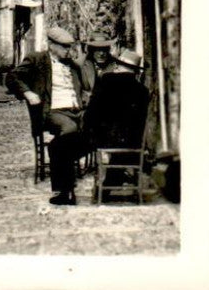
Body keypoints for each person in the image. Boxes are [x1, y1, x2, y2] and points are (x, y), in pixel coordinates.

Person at [46, 48, 150, 206]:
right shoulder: (143, 91)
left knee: (57, 146)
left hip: (100, 138)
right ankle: (110, 186)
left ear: (117, 66)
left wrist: (85, 128)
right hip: (130, 142)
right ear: (135, 71)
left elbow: (92, 113)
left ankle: (65, 193)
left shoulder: (107, 80)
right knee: (113, 144)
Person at [5, 25, 85, 204]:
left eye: (70, 47)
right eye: (64, 47)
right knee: (69, 131)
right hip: (53, 112)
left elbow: (85, 87)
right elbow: (11, 78)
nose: (68, 51)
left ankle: (64, 168)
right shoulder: (37, 59)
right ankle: (64, 189)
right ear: (51, 45)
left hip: (77, 110)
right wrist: (28, 93)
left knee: (94, 130)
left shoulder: (73, 65)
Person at [78, 33, 114, 102]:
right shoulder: (83, 66)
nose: (101, 53)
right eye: (98, 49)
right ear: (91, 51)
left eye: (104, 49)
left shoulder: (115, 66)